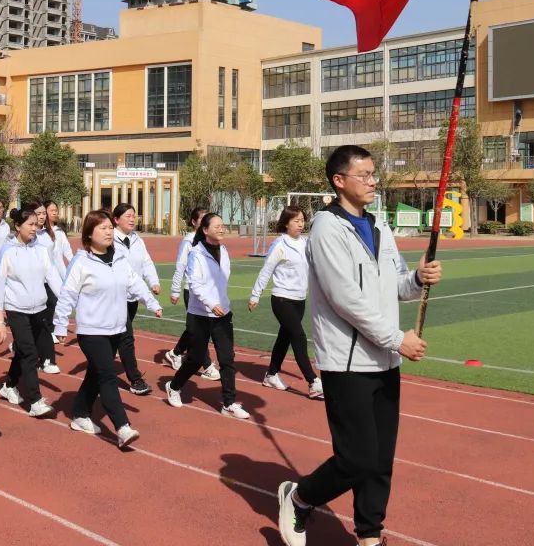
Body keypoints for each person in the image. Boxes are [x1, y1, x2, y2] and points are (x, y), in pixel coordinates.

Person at [277, 145, 441, 546]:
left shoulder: (380, 227)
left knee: (381, 460)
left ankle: (370, 535)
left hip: (385, 361)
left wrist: (417, 279)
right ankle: (300, 498)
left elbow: (396, 284)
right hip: (347, 363)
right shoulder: (326, 229)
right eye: (364, 174)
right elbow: (346, 299)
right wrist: (396, 339)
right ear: (339, 181)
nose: (373, 181)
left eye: (374, 174)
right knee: (357, 458)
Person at [54, 210, 161, 449]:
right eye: (102, 228)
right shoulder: (81, 261)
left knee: (96, 373)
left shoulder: (120, 258)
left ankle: (80, 414)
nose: (108, 232)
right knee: (108, 376)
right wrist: (60, 324)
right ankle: (122, 427)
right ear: (89, 234)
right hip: (92, 331)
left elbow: (135, 283)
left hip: (116, 328)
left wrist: (152, 303)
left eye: (109, 228)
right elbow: (67, 295)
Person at [164, 213, 248, 419]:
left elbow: (222, 281)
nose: (222, 229)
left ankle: (228, 403)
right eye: (217, 226)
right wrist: (211, 303)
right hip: (200, 314)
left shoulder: (224, 251)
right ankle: (174, 386)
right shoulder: (196, 253)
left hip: (222, 314)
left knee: (227, 360)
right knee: (193, 360)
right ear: (205, 229)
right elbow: (194, 283)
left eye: (223, 225)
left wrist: (222, 304)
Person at [0, 204, 63, 417]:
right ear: (18, 226)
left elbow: (52, 277)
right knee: (30, 353)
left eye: (36, 224)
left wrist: (68, 300)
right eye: (30, 224)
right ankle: (35, 401)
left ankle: (9, 385)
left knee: (26, 351)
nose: (35, 228)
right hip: (16, 310)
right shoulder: (7, 251)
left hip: (39, 308)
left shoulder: (41, 250)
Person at [249, 206, 322, 399]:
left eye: (302, 220)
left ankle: (271, 374)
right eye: (296, 220)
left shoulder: (305, 243)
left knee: (285, 338)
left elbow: (312, 270)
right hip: (282, 299)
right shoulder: (280, 245)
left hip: (299, 300)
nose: (300, 224)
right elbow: (266, 271)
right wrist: (255, 295)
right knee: (298, 336)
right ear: (286, 222)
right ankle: (313, 382)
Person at [164, 207, 220, 381]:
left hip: (210, 292)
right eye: (202, 219)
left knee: (195, 329)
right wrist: (174, 290)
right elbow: (181, 265)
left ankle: (176, 352)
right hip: (193, 291)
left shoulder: (213, 242)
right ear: (194, 222)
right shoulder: (189, 241)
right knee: (200, 331)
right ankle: (207, 366)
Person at [111, 203, 160, 396]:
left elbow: (146, 262)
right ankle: (135, 379)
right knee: (126, 338)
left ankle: (101, 365)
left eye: (134, 216)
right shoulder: (110, 238)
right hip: (116, 297)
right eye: (128, 216)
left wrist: (153, 282)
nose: (132, 219)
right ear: (116, 219)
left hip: (133, 297)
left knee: (117, 336)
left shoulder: (137, 239)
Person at [30, 202, 60, 374]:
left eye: (43, 213)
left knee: (51, 306)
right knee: (37, 321)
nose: (42, 216)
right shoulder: (29, 235)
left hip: (47, 280)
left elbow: (53, 261)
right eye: (38, 213)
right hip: (32, 284)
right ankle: (41, 356)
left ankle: (47, 359)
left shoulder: (48, 234)